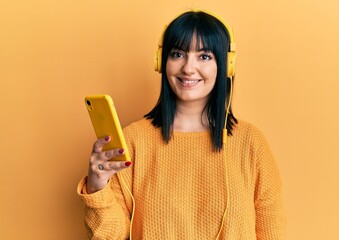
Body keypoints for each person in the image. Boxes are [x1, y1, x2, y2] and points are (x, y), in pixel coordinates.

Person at [77, 10, 286, 239]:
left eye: (204, 56)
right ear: (161, 62)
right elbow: (109, 235)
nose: (188, 68)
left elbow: (271, 233)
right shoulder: (132, 141)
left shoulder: (250, 142)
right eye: (178, 54)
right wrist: (97, 186)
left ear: (227, 66)